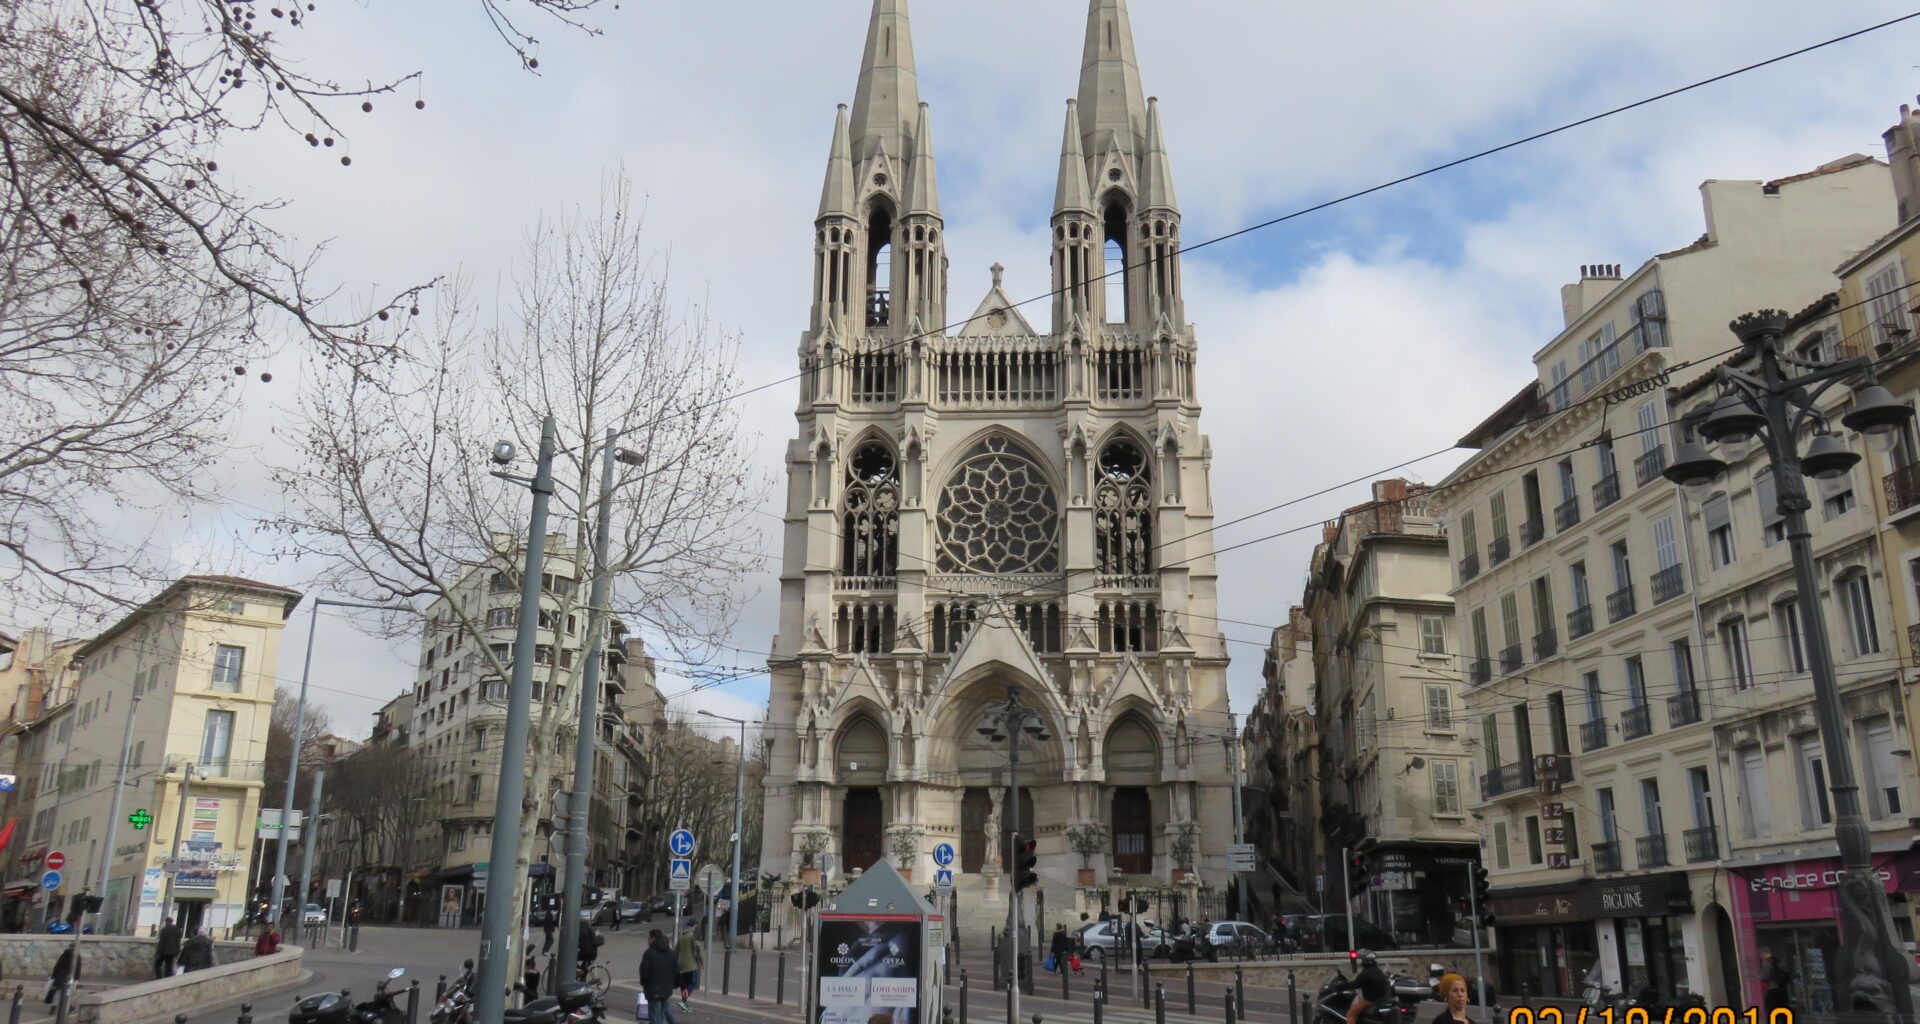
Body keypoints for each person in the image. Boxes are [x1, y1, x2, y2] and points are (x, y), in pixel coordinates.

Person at [639, 929, 681, 1024]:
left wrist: (644, 983)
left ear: (653, 938)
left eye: (648, 938)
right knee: (661, 1015)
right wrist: (675, 984)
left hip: (654, 990)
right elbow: (676, 970)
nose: (647, 940)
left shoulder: (649, 953)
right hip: (666, 990)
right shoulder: (670, 953)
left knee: (655, 1017)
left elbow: (644, 972)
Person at [1345, 949, 1393, 1024]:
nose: (1362, 962)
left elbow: (1356, 984)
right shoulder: (1378, 971)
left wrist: (1343, 985)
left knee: (1350, 1014)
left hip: (1369, 1000)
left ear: (1365, 961)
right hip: (1381, 999)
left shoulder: (1366, 972)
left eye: (1363, 960)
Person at [674, 924, 703, 1012]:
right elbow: (697, 950)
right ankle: (683, 1002)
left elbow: (676, 950)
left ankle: (684, 1005)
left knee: (684, 985)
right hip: (691, 965)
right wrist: (701, 961)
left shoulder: (681, 935)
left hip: (681, 965)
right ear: (695, 925)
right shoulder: (693, 935)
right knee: (693, 983)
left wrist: (675, 963)